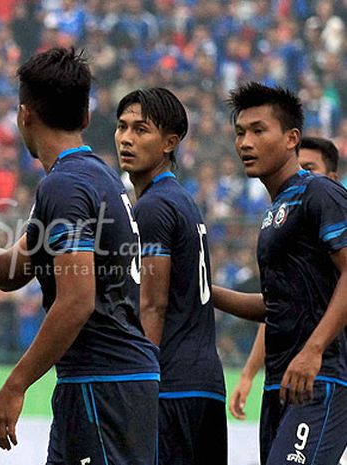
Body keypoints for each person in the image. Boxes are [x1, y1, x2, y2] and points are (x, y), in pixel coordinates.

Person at [0, 47, 159, 464]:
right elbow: (14, 272)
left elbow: (76, 299)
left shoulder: (65, 186)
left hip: (102, 385)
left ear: (24, 115)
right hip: (100, 384)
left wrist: (15, 384)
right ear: (86, 117)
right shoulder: (93, 177)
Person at [214, 82, 347, 465]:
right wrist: (206, 289)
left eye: (258, 130)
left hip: (318, 380)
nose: (245, 142)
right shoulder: (275, 213)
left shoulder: (319, 193)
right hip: (280, 384)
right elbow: (275, 306)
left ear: (291, 138)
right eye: (240, 132)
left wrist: (313, 350)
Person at [115, 87, 227, 465]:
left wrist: (140, 387)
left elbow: (153, 304)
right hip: (206, 386)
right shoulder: (182, 200)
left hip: (171, 387)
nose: (127, 138)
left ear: (170, 142)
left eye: (141, 130)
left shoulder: (154, 207)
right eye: (122, 127)